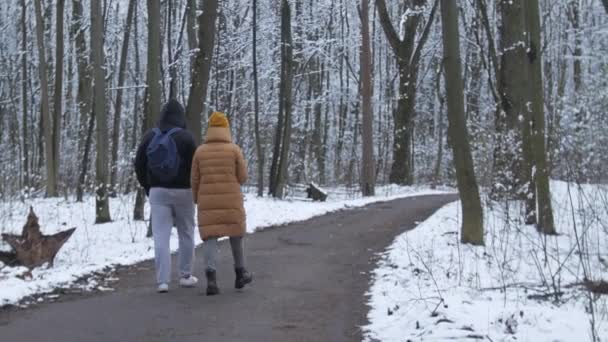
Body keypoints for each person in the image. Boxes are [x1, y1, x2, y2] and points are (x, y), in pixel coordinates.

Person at [135, 99, 198, 293]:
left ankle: (162, 281)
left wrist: (148, 187)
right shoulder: (187, 138)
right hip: (184, 192)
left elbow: (138, 164)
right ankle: (185, 275)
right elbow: (196, 167)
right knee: (186, 232)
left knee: (160, 236)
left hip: (157, 192)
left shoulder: (149, 136)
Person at [191, 111, 253, 296]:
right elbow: (242, 177)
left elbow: (194, 179)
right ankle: (240, 273)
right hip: (231, 199)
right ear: (226, 129)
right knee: (236, 234)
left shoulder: (200, 151)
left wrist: (196, 198)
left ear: (209, 129)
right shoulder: (234, 150)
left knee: (210, 237)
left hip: (207, 200)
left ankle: (211, 279)